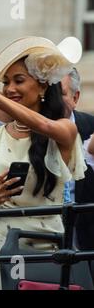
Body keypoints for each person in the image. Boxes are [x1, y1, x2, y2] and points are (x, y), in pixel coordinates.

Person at [0, 36, 87, 290]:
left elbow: (43, 125)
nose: (9, 89)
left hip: (45, 249)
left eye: (19, 81)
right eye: (5, 83)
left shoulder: (62, 130)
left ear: (42, 87)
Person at [61, 68, 94, 250]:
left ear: (75, 97)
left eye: (62, 94)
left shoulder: (90, 127)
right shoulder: (35, 131)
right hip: (43, 240)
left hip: (86, 241)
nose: (55, 101)